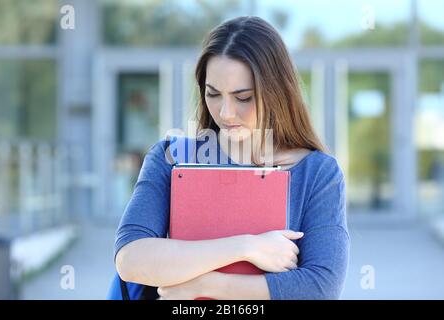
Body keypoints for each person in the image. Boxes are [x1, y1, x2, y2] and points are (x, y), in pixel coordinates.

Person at [113, 16, 349, 300]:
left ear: (276, 92)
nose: (225, 112)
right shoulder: (171, 158)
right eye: (213, 94)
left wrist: (206, 286)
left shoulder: (317, 173)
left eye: (243, 97)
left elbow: (321, 289)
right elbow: (131, 259)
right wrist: (246, 247)